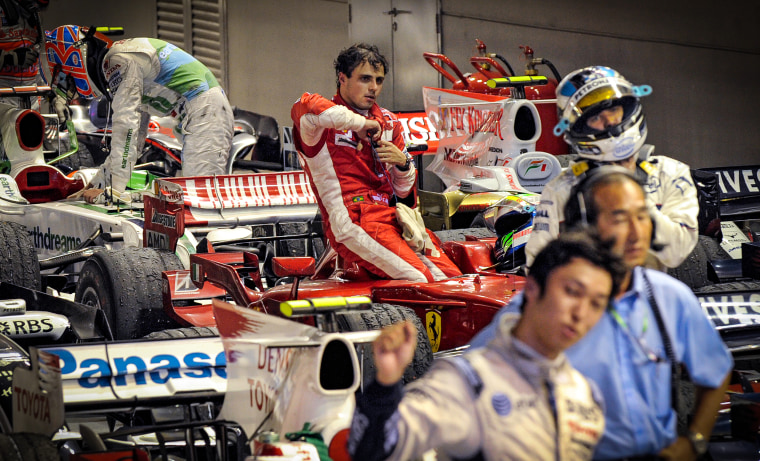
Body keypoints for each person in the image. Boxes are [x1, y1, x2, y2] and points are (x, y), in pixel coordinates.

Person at [471, 166, 733, 460]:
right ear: (583, 225)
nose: (637, 232)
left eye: (642, 216)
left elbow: (716, 369)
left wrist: (694, 440)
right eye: (620, 218)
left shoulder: (669, 298)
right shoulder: (537, 309)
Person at [347, 231, 627, 460]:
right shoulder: (467, 381)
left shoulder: (586, 393)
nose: (581, 313)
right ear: (532, 287)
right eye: (572, 292)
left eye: (596, 303)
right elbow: (374, 450)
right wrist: (385, 385)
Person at [291, 43, 461, 282]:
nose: (373, 88)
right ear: (342, 78)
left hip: (394, 218)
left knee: (453, 280)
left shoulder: (389, 123)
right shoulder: (318, 126)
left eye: (379, 81)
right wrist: (360, 124)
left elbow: (403, 190)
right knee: (419, 279)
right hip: (351, 220)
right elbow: (306, 106)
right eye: (365, 79)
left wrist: (403, 163)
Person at [526, 66, 698, 270]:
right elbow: (537, 266)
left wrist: (632, 200)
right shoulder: (561, 189)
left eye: (614, 110)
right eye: (596, 117)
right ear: (580, 127)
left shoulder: (670, 173)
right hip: (586, 295)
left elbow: (676, 252)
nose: (609, 121)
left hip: (648, 293)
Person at [42, 25, 234, 203]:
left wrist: (113, 193)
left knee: (198, 199)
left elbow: (126, 128)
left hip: (206, 113)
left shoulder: (119, 61)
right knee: (192, 196)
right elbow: (134, 141)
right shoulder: (124, 60)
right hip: (201, 112)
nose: (72, 87)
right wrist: (97, 183)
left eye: (70, 79)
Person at [0, 0, 45, 106]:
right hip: (3, 91)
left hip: (31, 93)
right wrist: (10, 58)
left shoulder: (35, 15)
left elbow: (39, 50)